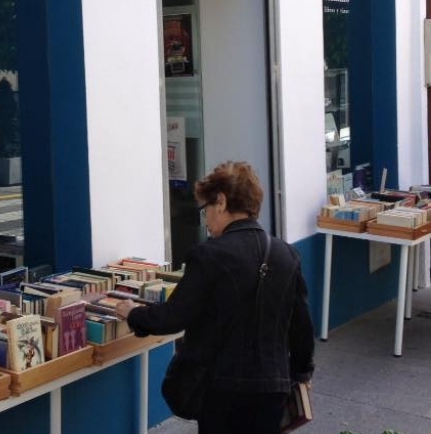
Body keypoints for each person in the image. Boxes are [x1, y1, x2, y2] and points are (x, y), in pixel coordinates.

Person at [113, 161, 314, 433]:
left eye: (205, 208)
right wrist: (301, 373)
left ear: (220, 201)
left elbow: (173, 317)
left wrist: (131, 311)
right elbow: (301, 325)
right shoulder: (287, 254)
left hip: (222, 389)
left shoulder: (209, 255)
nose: (205, 219)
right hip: (273, 387)